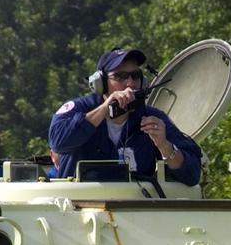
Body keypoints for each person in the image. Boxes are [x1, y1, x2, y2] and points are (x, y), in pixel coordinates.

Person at [48, 47, 202, 186]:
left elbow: (192, 175)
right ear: (100, 83)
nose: (130, 83)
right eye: (120, 76)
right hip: (79, 205)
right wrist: (104, 109)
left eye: (135, 76)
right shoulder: (78, 109)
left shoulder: (152, 117)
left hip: (132, 207)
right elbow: (58, 142)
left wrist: (164, 145)